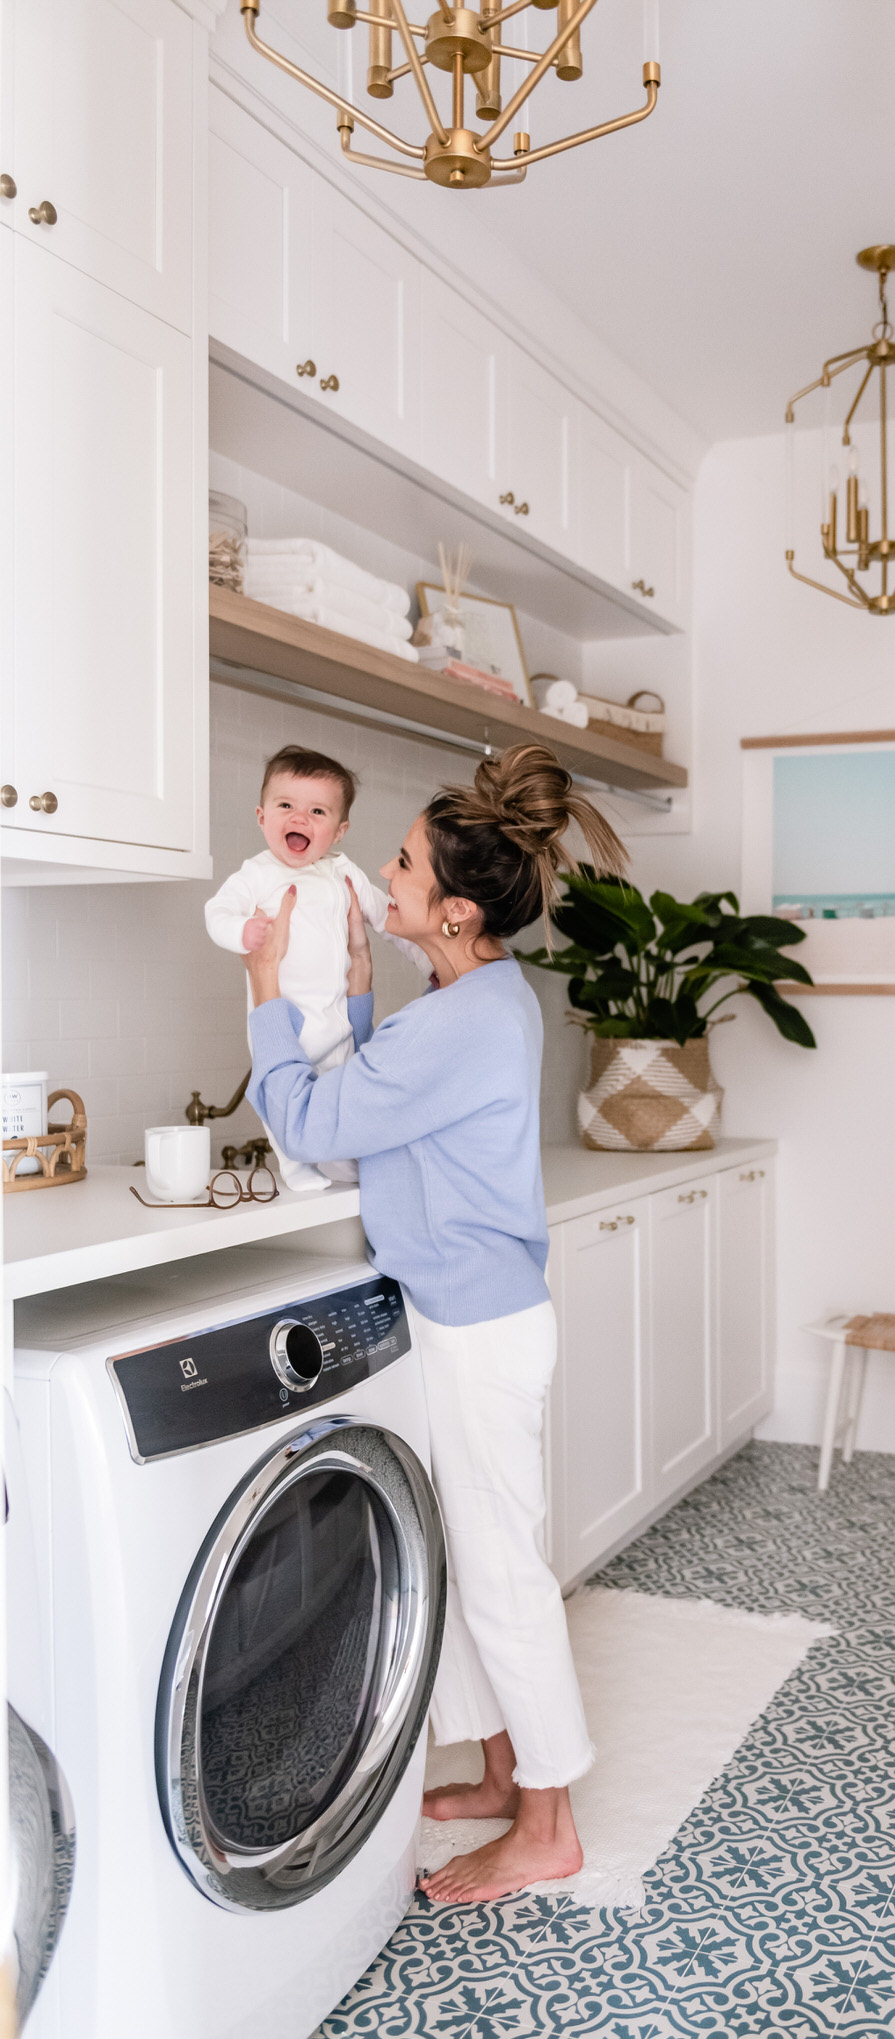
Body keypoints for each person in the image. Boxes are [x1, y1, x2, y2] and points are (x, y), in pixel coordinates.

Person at [242, 742, 628, 1904]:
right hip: (474, 1314)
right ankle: (508, 1773)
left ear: (453, 912)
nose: (385, 873)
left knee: (504, 1577)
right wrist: (356, 986)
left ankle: (547, 1824)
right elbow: (376, 1090)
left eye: (402, 862)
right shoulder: (474, 996)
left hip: (476, 1329)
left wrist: (267, 991)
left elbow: (317, 1123)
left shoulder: (459, 1023)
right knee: (472, 1556)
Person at [204, 743, 421, 1192]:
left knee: (340, 1098)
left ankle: (342, 1164)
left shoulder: (344, 873)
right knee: (278, 1094)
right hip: (284, 1018)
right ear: (262, 817)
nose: (299, 819)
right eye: (286, 805)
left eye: (317, 811)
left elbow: (388, 919)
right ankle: (298, 1169)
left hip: (337, 1018)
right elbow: (217, 912)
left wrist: (428, 962)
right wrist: (244, 932)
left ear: (339, 831)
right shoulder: (257, 874)